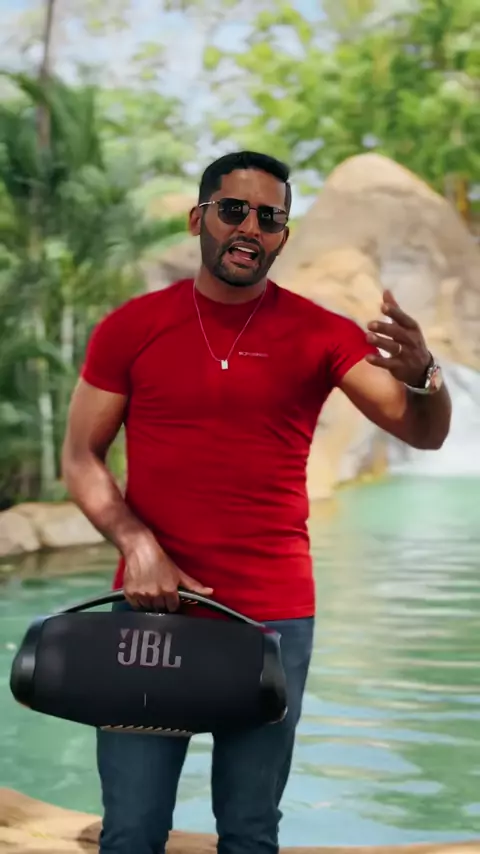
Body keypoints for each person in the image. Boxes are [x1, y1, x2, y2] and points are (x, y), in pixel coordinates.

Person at [61, 150, 452, 854]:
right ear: (199, 219)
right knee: (131, 831)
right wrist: (137, 545)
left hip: (272, 620)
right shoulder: (131, 326)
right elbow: (80, 456)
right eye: (233, 210)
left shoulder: (322, 333)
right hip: (151, 612)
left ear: (283, 237)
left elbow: (423, 434)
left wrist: (426, 375)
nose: (250, 227)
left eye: (269, 218)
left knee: (249, 831)